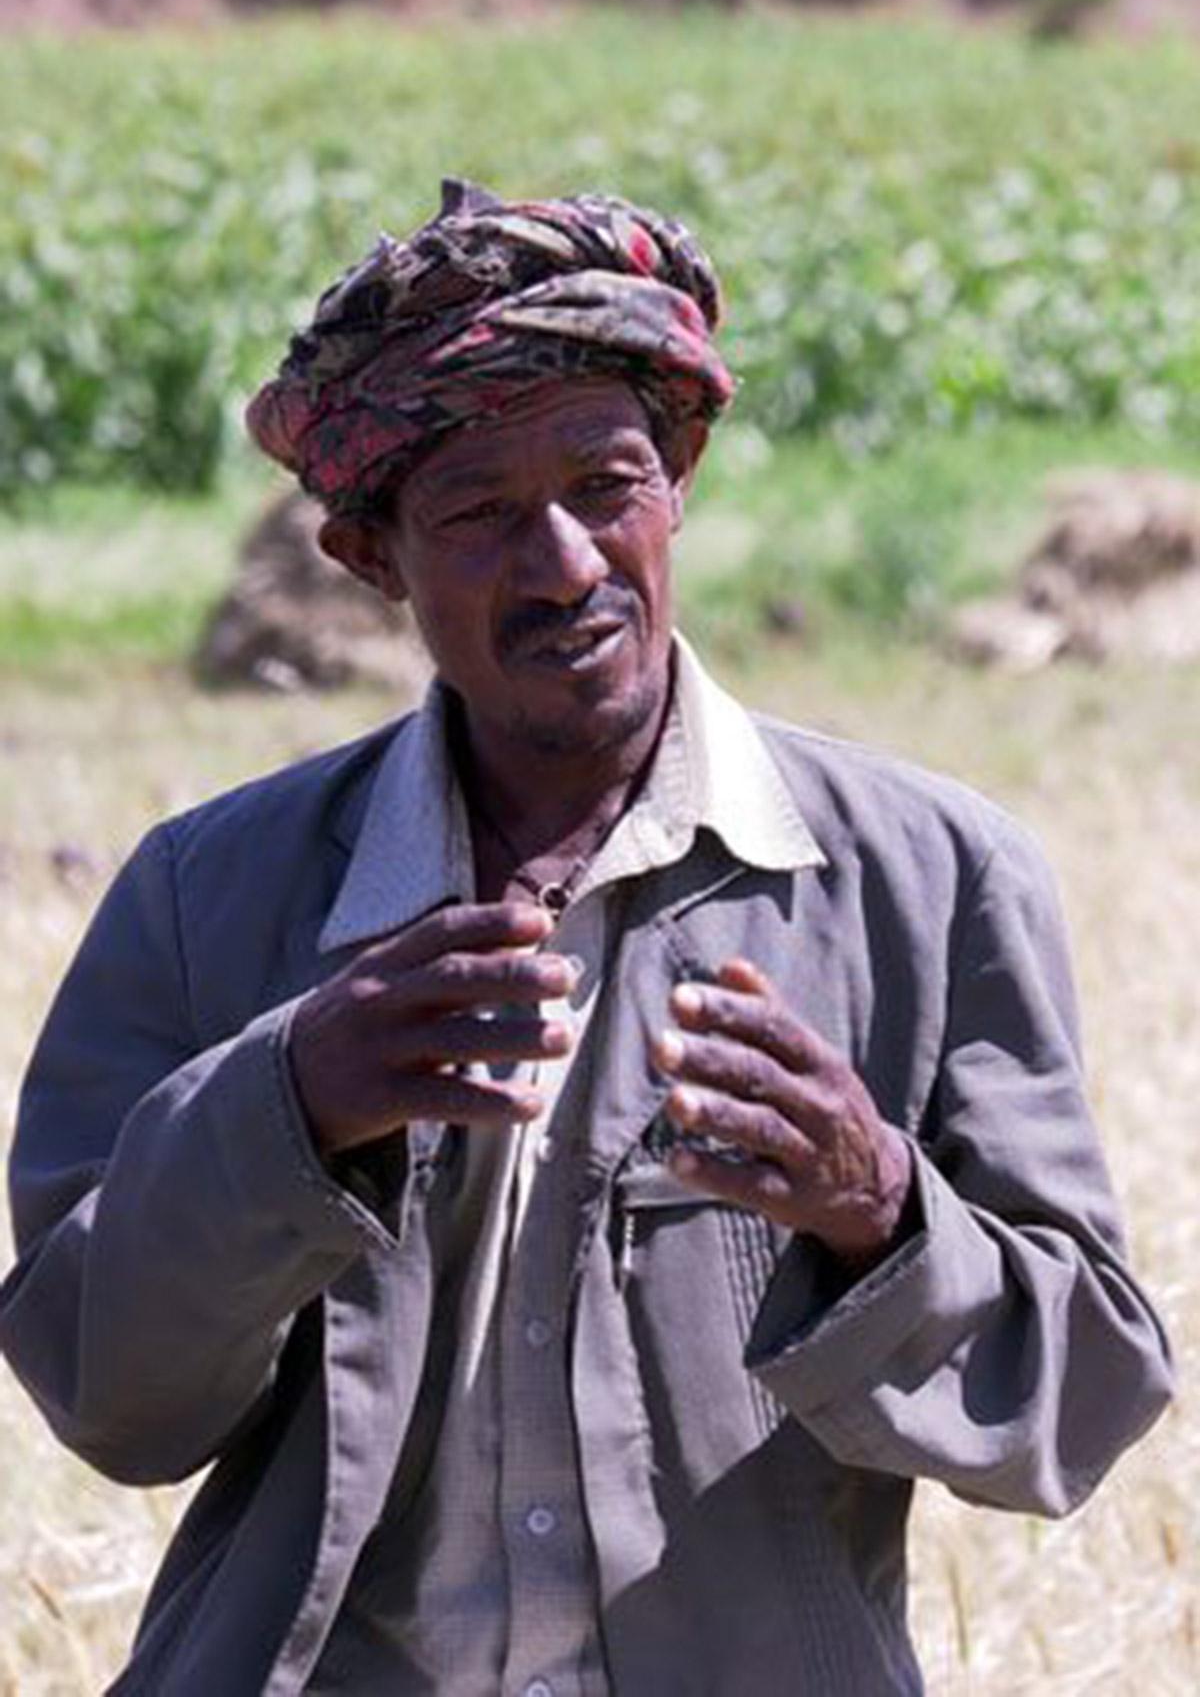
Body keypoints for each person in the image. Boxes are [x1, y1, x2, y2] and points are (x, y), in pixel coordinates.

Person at [0, 179, 1173, 1697]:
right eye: (480, 514)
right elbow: (107, 1396)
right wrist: (289, 1103)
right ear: (369, 560)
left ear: (678, 477)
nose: (563, 563)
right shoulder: (204, 896)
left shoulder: (933, 882)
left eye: (605, 484)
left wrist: (876, 1206)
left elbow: (1079, 1402)